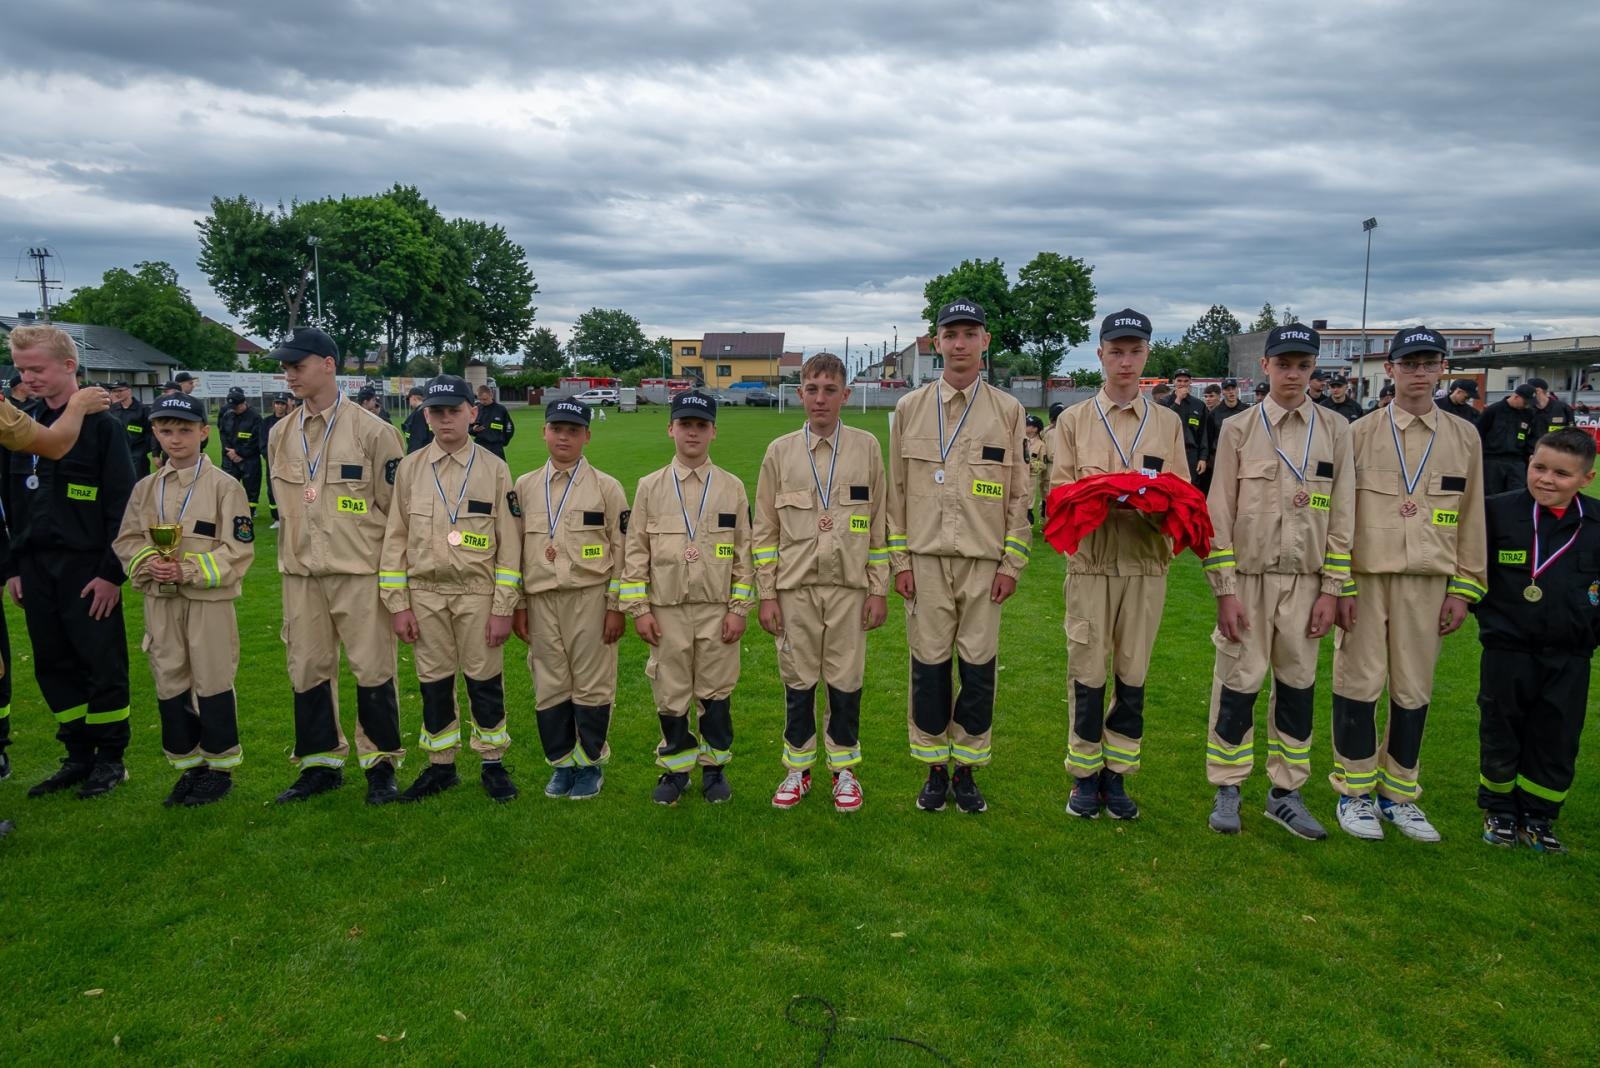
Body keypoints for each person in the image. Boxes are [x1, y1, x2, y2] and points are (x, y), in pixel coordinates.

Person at [1329, 326, 1487, 842]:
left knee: (1413, 688)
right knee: (1359, 683)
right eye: (1410, 363)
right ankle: (1354, 794)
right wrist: (1340, 584)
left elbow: (1471, 519)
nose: (1420, 373)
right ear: (1390, 369)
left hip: (1429, 581)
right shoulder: (1359, 433)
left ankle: (1400, 794)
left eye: (1430, 363)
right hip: (1367, 579)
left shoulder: (1465, 437)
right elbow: (1340, 514)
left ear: (1442, 369)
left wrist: (1465, 588)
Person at [1202, 324, 1353, 839]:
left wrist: (1333, 591)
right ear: (1263, 367)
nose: (1293, 374)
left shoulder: (1336, 430)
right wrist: (1224, 590)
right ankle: (1228, 785)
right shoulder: (1238, 429)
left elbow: (1344, 517)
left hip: (1307, 583)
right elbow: (1218, 511)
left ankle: (1286, 793)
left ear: (1314, 371)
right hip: (1248, 580)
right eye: (1283, 364)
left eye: (1303, 366)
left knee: (1297, 687)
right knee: (1238, 684)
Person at [888, 299, 1029, 815]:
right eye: (951, 334)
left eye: (971, 333)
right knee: (928, 667)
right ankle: (932, 769)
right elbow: (896, 494)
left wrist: (1012, 563)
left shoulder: (1008, 411)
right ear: (937, 342)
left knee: (977, 668)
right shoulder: (909, 408)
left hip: (984, 564)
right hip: (924, 562)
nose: (961, 343)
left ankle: (967, 770)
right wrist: (899, 563)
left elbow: (1019, 494)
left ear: (985, 341)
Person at [1049, 309, 1188, 820]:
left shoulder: (1168, 423)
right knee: (1086, 672)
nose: (1125, 361)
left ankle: (1118, 775)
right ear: (1100, 354)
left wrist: (1147, 501)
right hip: (1090, 566)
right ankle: (1084, 774)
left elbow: (1183, 497)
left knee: (1132, 673)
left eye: (1134, 351)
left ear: (1147, 354)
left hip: (1145, 567)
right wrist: (1103, 493)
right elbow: (1059, 494)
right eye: (1116, 351)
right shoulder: (1073, 420)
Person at [264, 326, 408, 805]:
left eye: (297, 366)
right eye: (285, 367)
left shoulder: (375, 432)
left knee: (373, 670)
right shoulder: (279, 434)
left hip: (360, 574)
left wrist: (392, 579)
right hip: (301, 575)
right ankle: (320, 764)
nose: (289, 375)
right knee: (307, 669)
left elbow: (396, 515)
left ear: (329, 365)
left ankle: (381, 765)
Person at [2, 325, 134, 799]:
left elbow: (123, 508)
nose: (27, 378)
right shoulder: (23, 427)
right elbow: (8, 504)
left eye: (36, 368)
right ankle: (77, 755)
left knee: (99, 661)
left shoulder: (103, 428)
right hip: (35, 568)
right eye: (21, 369)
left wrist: (110, 574)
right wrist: (13, 567)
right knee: (52, 663)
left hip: (87, 567)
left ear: (69, 367)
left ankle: (111, 758)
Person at [754, 353, 888, 813]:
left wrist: (878, 588)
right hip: (795, 592)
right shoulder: (779, 452)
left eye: (830, 390)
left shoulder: (868, 447)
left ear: (845, 395)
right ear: (800, 394)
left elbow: (878, 527)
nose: (820, 399)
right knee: (798, 681)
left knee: (845, 682)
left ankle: (844, 771)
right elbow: (764, 531)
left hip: (850, 589)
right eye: (812, 389)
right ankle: (797, 769)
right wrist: (767, 594)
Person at [380, 376, 522, 804]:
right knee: (434, 682)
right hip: (424, 593)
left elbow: (510, 544)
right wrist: (398, 604)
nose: (446, 419)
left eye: (455, 411)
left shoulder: (495, 468)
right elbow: (395, 538)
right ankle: (441, 766)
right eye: (437, 412)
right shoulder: (410, 467)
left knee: (484, 680)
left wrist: (503, 608)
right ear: (426, 414)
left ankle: (492, 763)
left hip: (478, 593)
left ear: (472, 413)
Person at [112, 393, 254, 806]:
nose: (175, 439)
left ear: (204, 433)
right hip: (161, 600)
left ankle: (219, 768)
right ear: (154, 432)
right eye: (166, 430)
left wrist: (188, 569)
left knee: (211, 681)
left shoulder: (226, 488)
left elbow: (239, 550)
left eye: (185, 430)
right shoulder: (145, 489)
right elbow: (127, 540)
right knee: (170, 677)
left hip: (208, 603)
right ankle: (187, 765)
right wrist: (148, 565)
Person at [620, 390, 754, 804]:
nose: (692, 432)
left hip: (717, 611)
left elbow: (744, 554)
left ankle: (714, 769)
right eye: (685, 424)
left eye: (701, 425)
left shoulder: (731, 487)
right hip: (667, 609)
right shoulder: (649, 487)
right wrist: (639, 609)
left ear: (713, 431)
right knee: (671, 692)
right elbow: (635, 551)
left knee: (715, 692)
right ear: (671, 429)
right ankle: (675, 772)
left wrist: (739, 609)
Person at [1473, 429, 1599, 853]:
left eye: (1562, 473)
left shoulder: (1597, 523)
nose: (1546, 479)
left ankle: (1540, 817)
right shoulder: (1497, 513)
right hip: (1507, 648)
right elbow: (1472, 570)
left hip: (1570, 654)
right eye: (1539, 467)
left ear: (1587, 477)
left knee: (1557, 735)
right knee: (1501, 728)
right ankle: (1500, 811)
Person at [512, 399, 628, 800]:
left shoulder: (607, 488)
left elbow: (623, 552)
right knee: (550, 683)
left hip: (591, 599)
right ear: (543, 432)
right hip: (541, 602)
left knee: (593, 685)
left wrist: (616, 607)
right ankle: (562, 765)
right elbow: (513, 552)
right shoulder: (524, 488)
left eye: (573, 430)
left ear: (587, 436)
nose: (564, 436)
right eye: (556, 428)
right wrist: (519, 605)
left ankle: (590, 764)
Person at [1477, 383, 1537, 494]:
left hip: (1517, 461)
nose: (1527, 406)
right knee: (1492, 495)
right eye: (1525, 402)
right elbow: (1479, 433)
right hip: (1493, 460)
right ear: (1516, 396)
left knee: (1517, 494)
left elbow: (1531, 437)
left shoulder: (1529, 414)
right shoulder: (1493, 410)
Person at [218, 387, 264, 515]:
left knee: (251, 487)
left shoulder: (255, 417)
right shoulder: (228, 415)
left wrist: (239, 453)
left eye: (236, 406)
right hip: (230, 458)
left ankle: (250, 511)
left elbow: (256, 441)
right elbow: (223, 434)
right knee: (229, 486)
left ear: (243, 403)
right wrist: (230, 452)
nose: (233, 409)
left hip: (249, 459)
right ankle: (229, 510)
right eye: (231, 406)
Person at [1164, 369, 1210, 483]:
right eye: (1179, 380)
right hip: (1170, 453)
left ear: (1190, 382)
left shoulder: (1198, 405)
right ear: (1174, 382)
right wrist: (1178, 400)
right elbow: (1166, 423)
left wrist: (1203, 458)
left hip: (1191, 454)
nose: (1182, 384)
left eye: (1186, 381)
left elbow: (1204, 434)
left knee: (1190, 487)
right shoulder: (1164, 402)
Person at [107, 381, 154, 475]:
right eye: (114, 391)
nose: (117, 394)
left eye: (120, 390)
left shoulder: (143, 410)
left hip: (137, 454)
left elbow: (151, 432)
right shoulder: (112, 409)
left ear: (129, 391)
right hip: (117, 453)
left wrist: (142, 451)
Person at [260, 392, 291, 528]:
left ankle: (289, 515)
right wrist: (270, 457)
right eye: (277, 403)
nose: (280, 406)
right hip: (272, 462)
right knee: (272, 489)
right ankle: (276, 518)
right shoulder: (266, 422)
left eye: (282, 404)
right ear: (273, 405)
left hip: (289, 461)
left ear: (286, 406)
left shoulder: (291, 421)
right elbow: (262, 443)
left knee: (289, 488)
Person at [470, 385, 515, 461]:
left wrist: (504, 442)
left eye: (485, 399)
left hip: (496, 448)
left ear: (491, 395)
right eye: (480, 399)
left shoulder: (501, 409)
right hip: (479, 446)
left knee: (500, 471)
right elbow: (468, 427)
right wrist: (473, 430)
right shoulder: (476, 409)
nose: (482, 402)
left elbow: (509, 428)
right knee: (478, 471)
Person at [1024, 413, 1047, 524]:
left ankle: (1028, 525)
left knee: (1027, 504)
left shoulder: (1040, 445)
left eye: (1028, 425)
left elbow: (1043, 464)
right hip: (1018, 476)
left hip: (1030, 479)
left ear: (1034, 429)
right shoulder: (1021, 441)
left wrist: (1032, 466)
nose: (1025, 427)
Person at [402, 385, 433, 454]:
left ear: (413, 398)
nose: (409, 403)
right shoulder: (428, 410)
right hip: (430, 450)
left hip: (421, 453)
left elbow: (417, 439)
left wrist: (412, 457)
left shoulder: (419, 413)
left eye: (408, 399)